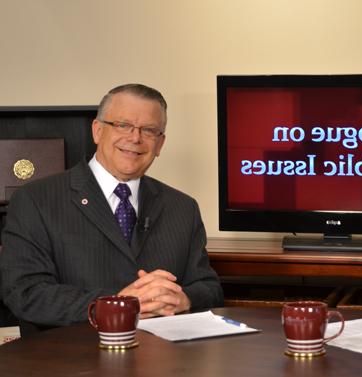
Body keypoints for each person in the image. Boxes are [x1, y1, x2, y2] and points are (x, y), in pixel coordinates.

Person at [0, 84, 223, 333]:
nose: (135, 138)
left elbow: (209, 287)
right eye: (123, 125)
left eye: (148, 130)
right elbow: (24, 293)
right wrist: (116, 304)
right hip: (71, 360)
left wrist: (184, 299)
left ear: (160, 144)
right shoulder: (36, 200)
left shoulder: (183, 208)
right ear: (97, 130)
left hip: (161, 362)